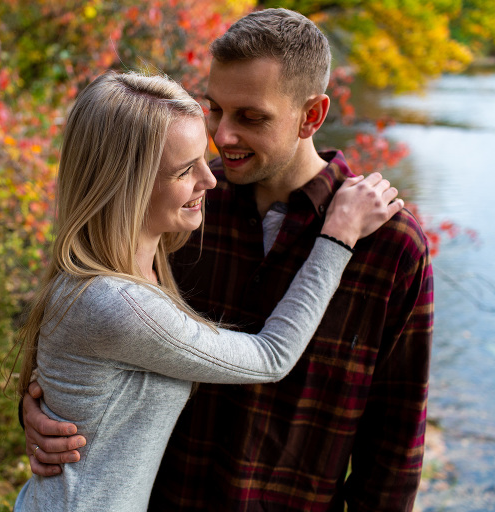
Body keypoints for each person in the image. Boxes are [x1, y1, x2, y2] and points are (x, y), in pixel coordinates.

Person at [22, 8, 434, 512]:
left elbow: (395, 441)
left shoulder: (390, 244)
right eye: (216, 109)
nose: (224, 137)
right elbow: (91, 324)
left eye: (251, 117)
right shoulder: (181, 208)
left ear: (312, 116)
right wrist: (45, 406)